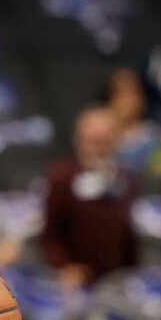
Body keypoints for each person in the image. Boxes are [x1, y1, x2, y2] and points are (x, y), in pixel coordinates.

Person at [39, 106, 139, 290]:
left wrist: (132, 275)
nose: (99, 150)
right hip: (74, 280)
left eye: (105, 142)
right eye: (93, 142)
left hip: (116, 280)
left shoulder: (126, 180)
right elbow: (49, 233)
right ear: (79, 140)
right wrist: (64, 266)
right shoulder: (62, 177)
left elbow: (129, 237)